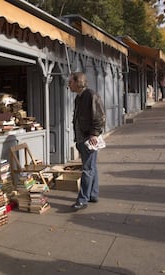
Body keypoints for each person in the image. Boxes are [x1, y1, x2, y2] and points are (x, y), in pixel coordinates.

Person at [68, 72, 106, 211]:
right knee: (91, 167)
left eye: (70, 82)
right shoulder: (79, 97)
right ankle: (93, 194)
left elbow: (100, 116)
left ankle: (83, 199)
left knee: (87, 169)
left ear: (78, 82)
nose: (68, 84)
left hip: (88, 138)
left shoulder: (90, 95)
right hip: (81, 138)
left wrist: (94, 134)